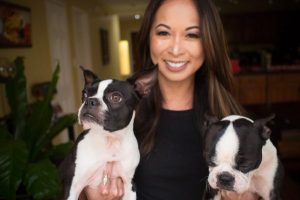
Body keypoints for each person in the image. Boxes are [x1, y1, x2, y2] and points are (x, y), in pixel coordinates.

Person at [81, 0, 256, 199]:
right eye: (163, 32)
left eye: (192, 34)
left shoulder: (234, 120)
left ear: (209, 42)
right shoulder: (115, 113)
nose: (175, 49)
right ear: (148, 37)